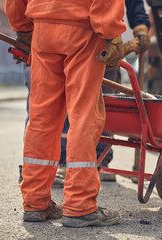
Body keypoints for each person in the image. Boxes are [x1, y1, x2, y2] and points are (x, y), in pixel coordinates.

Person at [6, 0, 126, 227]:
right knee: (83, 116)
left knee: (42, 117)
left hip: (43, 29)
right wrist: (111, 32)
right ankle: (80, 206)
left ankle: (35, 202)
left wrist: (22, 28)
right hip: (84, 29)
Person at [59, 0, 151, 183]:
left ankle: (102, 161)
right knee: (71, 107)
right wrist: (115, 40)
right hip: (83, 38)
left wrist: (141, 28)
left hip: (102, 43)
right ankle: (64, 160)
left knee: (104, 106)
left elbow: (135, 6)